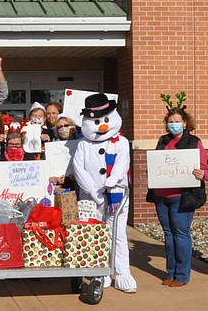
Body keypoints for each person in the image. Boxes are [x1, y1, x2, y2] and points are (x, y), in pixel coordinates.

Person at [72, 93, 137, 293]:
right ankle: (101, 271)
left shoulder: (121, 142)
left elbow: (121, 163)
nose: (102, 126)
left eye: (106, 120)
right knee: (97, 234)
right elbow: (78, 168)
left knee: (117, 234)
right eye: (97, 122)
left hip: (116, 195)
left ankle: (122, 272)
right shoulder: (83, 145)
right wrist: (92, 189)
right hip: (91, 198)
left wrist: (113, 180)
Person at [150, 103, 208, 287]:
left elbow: (207, 172)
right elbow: (157, 164)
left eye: (177, 121)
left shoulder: (194, 142)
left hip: (182, 196)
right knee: (168, 234)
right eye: (170, 122)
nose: (173, 125)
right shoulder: (162, 141)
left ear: (185, 123)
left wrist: (202, 174)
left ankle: (182, 276)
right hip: (161, 196)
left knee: (180, 234)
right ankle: (171, 272)